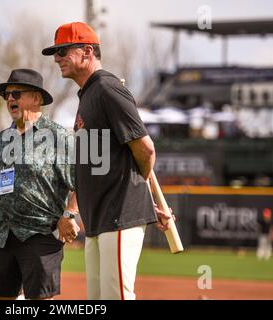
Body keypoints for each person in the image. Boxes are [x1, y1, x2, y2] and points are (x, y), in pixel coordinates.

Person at [42, 22, 175, 300]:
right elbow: (98, 164)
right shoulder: (88, 94)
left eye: (63, 51)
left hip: (118, 216)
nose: (57, 58)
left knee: (117, 297)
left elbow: (146, 150)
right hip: (100, 218)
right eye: (56, 52)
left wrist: (137, 197)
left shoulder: (106, 88)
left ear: (87, 51)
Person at [0, 69, 79, 300]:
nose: (10, 99)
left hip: (40, 236)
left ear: (36, 98)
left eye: (16, 93)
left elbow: (83, 184)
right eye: (6, 95)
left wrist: (69, 215)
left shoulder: (59, 137)